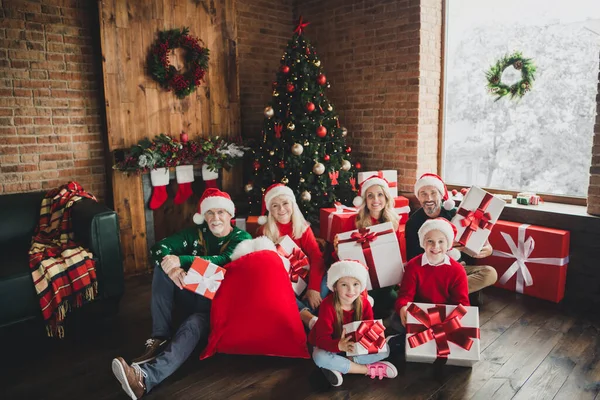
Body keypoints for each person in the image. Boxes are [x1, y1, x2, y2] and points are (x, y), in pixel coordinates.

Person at [111, 188, 252, 400]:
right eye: (210, 213)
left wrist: (182, 260)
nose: (215, 218)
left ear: (230, 215)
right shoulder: (196, 234)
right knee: (163, 267)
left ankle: (144, 379)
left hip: (216, 309)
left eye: (221, 212)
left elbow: (224, 261)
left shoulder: (242, 237)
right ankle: (159, 336)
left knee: (194, 324)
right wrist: (173, 268)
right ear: (204, 216)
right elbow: (159, 248)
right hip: (192, 295)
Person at [406, 173, 497, 306]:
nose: (429, 198)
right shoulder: (413, 223)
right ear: (418, 197)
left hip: (459, 268)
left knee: (490, 273)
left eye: (433, 193)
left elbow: (483, 240)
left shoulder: (457, 214)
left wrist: (488, 248)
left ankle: (441, 296)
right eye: (423, 194)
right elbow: (413, 259)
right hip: (431, 272)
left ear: (442, 195)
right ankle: (455, 294)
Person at [308, 260, 398, 387]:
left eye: (356, 284)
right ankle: (366, 370)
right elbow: (321, 339)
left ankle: (339, 366)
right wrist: (339, 346)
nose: (351, 290)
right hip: (332, 346)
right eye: (344, 284)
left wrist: (375, 334)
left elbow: (368, 333)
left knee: (385, 350)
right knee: (319, 357)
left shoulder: (364, 303)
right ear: (335, 287)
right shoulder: (327, 306)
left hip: (354, 348)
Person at [256, 183, 328, 330]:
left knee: (328, 278)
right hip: (284, 286)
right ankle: (308, 318)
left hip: (308, 279)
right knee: (273, 289)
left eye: (285, 203)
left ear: (292, 204)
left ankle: (302, 315)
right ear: (270, 210)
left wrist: (313, 289)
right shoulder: (264, 232)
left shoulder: (303, 228)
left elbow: (317, 258)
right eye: (275, 206)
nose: (281, 209)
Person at [333, 175, 404, 318]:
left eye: (380, 195)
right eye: (370, 196)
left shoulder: (395, 223)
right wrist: (337, 249)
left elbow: (398, 255)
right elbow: (340, 257)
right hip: (359, 279)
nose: (376, 200)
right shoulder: (353, 221)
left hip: (386, 278)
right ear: (365, 200)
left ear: (386, 198)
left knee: (390, 298)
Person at [394, 218, 470, 329]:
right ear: (423, 243)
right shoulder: (413, 266)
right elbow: (405, 296)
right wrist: (403, 307)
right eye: (430, 241)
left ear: (448, 244)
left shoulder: (457, 270)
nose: (435, 246)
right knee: (395, 321)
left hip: (446, 316)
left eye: (441, 241)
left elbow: (462, 302)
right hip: (419, 313)